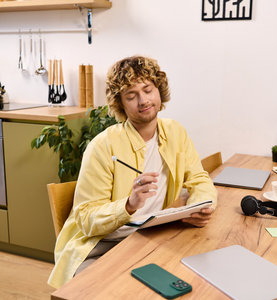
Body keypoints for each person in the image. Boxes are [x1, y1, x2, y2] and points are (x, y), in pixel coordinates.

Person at [48, 56, 217, 288]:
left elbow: (198, 178)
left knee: (198, 278)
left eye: (148, 90)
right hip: (100, 246)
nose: (143, 100)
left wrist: (201, 206)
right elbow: (86, 218)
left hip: (151, 236)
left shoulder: (175, 132)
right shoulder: (102, 146)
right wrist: (128, 204)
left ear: (159, 91)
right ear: (121, 104)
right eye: (131, 95)